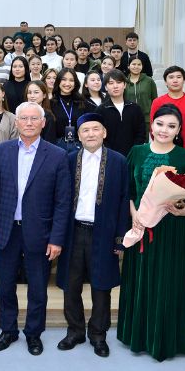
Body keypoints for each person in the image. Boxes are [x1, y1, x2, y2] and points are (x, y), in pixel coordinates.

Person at [116, 104, 185, 361]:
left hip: (173, 229)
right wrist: (135, 215)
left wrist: (184, 208)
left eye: (171, 126)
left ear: (179, 130)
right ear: (152, 125)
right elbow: (128, 190)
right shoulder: (137, 152)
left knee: (169, 281)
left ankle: (167, 339)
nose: (164, 130)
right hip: (141, 227)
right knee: (141, 279)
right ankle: (138, 335)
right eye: (160, 124)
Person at [0, 103, 71, 355]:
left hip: (40, 232)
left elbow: (63, 201)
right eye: (23, 118)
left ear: (43, 123)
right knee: (5, 287)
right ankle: (8, 330)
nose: (28, 123)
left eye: (34, 118)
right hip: (6, 230)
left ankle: (34, 334)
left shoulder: (57, 155)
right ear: (16, 122)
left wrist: (57, 238)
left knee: (37, 289)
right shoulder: (1, 151)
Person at [55, 113, 130, 357]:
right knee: (71, 285)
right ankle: (75, 331)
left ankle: (98, 334)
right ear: (78, 136)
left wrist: (120, 237)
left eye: (95, 129)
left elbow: (123, 200)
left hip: (104, 232)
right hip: (73, 232)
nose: (90, 134)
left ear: (104, 133)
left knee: (101, 286)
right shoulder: (68, 159)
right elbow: (59, 199)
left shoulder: (118, 161)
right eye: (85, 130)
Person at [151, 66, 185, 151]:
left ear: (184, 80)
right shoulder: (157, 102)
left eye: (179, 77)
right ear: (165, 82)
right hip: (164, 149)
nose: (175, 80)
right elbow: (153, 128)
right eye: (171, 77)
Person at [100, 70, 147, 157]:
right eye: (111, 83)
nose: (115, 86)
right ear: (105, 87)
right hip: (110, 156)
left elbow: (141, 133)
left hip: (133, 156)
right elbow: (100, 135)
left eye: (119, 82)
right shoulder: (101, 110)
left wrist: (134, 151)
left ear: (125, 85)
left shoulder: (135, 108)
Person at [52, 68, 85, 152]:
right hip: (57, 147)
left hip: (79, 146)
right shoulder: (51, 104)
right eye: (64, 79)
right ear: (58, 81)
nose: (67, 83)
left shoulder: (82, 103)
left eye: (71, 80)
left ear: (75, 83)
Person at [125, 57, 158, 126]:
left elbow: (155, 100)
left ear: (142, 66)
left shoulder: (149, 81)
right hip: (129, 118)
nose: (136, 67)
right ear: (128, 66)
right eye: (134, 64)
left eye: (139, 64)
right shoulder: (124, 82)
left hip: (146, 119)